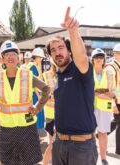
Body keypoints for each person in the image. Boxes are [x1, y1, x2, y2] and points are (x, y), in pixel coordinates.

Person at [47, 7, 98, 165]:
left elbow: (81, 56)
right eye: (53, 50)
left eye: (61, 48)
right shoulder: (59, 76)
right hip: (59, 143)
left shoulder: (79, 69)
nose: (57, 53)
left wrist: (73, 32)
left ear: (69, 51)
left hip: (81, 147)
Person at [0, 40, 50, 165]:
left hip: (27, 128)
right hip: (7, 128)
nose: (10, 57)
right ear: (2, 59)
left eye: (13, 54)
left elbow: (46, 89)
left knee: (29, 162)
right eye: (7, 55)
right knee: (5, 161)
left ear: (18, 58)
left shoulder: (27, 75)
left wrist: (38, 107)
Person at [92, 48, 117, 165]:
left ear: (104, 59)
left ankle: (103, 158)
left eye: (101, 57)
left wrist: (112, 95)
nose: (99, 59)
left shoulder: (109, 72)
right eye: (97, 57)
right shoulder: (88, 72)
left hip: (104, 107)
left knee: (103, 133)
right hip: (90, 107)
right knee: (89, 133)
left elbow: (114, 90)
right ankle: (91, 157)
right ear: (92, 59)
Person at [106, 43, 120, 155]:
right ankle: (119, 150)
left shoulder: (118, 66)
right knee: (119, 123)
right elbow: (110, 88)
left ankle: (102, 134)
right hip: (116, 101)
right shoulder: (111, 68)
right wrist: (113, 104)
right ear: (116, 54)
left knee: (117, 122)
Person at [42, 58, 57, 165]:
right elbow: (41, 91)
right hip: (50, 113)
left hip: (62, 113)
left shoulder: (64, 75)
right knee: (52, 143)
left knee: (54, 143)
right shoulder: (45, 75)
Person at [28, 47, 46, 132]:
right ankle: (35, 132)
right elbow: (33, 83)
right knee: (36, 112)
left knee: (31, 112)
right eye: (41, 57)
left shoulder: (32, 65)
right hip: (34, 94)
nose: (42, 59)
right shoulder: (33, 67)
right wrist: (38, 95)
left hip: (31, 93)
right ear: (37, 57)